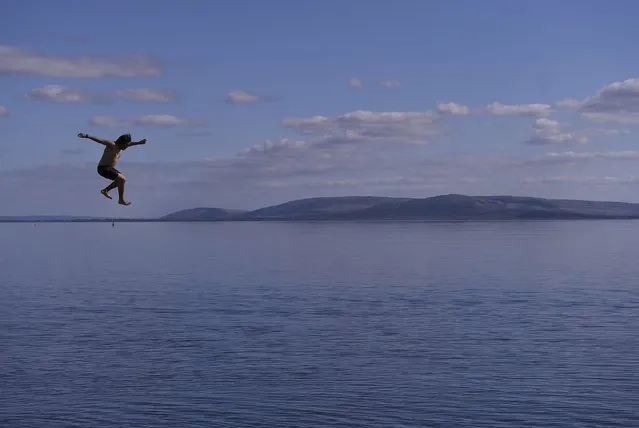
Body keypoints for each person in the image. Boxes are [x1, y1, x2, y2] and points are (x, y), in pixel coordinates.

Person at [77, 132, 147, 206]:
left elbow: (130, 143)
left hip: (109, 168)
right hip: (103, 168)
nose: (127, 146)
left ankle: (105, 190)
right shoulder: (112, 144)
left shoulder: (123, 146)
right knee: (122, 179)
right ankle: (121, 200)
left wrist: (139, 142)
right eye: (126, 145)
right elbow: (100, 140)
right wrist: (87, 136)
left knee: (122, 181)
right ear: (121, 143)